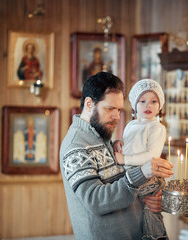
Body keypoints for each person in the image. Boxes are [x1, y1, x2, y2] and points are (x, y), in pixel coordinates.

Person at [59, 72, 173, 240]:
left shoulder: (102, 136)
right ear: (89, 104)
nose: (117, 116)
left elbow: (123, 185)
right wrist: (142, 173)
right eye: (109, 108)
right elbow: (96, 200)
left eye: (119, 109)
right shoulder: (76, 145)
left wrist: (152, 198)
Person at [113, 79, 168, 240]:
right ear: (134, 105)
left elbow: (152, 155)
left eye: (153, 101)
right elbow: (128, 144)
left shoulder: (157, 128)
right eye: (142, 101)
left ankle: (155, 236)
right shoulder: (131, 125)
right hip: (133, 173)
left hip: (149, 177)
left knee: (149, 207)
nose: (148, 105)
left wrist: (124, 159)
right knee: (137, 207)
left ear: (160, 105)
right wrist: (118, 143)